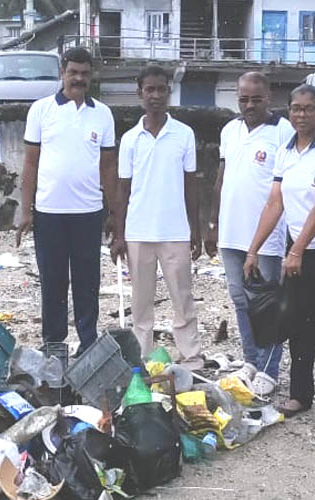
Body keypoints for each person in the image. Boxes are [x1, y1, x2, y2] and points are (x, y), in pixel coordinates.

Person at [243, 85, 315, 429]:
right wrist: (254, 249)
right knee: (300, 323)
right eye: (295, 108)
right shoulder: (286, 151)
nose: (301, 115)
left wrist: (296, 251)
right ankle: (301, 393)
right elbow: (275, 203)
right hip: (299, 249)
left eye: (308, 108)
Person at [16, 47, 117, 354]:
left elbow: (108, 167)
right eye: (73, 72)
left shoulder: (103, 113)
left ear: (92, 76)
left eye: (85, 73)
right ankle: (54, 343)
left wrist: (113, 212)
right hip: (49, 213)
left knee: (88, 282)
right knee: (53, 281)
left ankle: (88, 343)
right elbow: (30, 163)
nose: (79, 78)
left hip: (88, 213)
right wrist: (26, 209)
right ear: (62, 72)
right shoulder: (41, 110)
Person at [206, 72, 294, 396]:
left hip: (267, 237)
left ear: (269, 97)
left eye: (256, 99)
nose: (249, 105)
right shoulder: (230, 130)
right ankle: (251, 362)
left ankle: (270, 370)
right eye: (243, 99)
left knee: (267, 304)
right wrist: (212, 223)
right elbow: (221, 178)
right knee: (240, 300)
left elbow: (288, 185)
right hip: (231, 233)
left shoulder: (284, 131)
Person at [110, 66, 203, 370]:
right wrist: (120, 234)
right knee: (141, 302)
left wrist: (196, 229)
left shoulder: (184, 134)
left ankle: (190, 355)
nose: (155, 96)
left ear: (168, 92)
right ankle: (142, 357)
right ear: (140, 93)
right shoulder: (130, 139)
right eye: (149, 90)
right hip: (138, 231)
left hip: (175, 230)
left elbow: (191, 184)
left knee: (182, 297)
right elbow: (122, 189)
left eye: (161, 89)